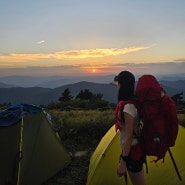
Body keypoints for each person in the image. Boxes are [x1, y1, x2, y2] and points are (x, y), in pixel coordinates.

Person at [114, 71, 146, 185]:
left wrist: (123, 161)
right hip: (133, 149)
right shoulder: (133, 101)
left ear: (122, 85)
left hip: (132, 151)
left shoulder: (128, 107)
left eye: (119, 83)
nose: (117, 85)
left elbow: (129, 136)